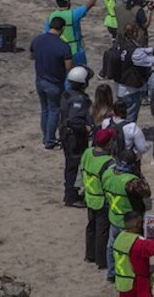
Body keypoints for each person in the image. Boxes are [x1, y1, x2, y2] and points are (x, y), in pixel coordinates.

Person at [103, 148, 149, 282]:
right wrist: (139, 174)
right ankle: (133, 273)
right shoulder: (131, 181)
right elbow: (146, 192)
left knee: (112, 246)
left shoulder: (107, 173)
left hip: (113, 216)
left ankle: (111, 273)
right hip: (130, 221)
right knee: (133, 249)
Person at [31, 16, 74, 149]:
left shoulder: (37, 40)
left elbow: (31, 56)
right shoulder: (63, 46)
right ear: (62, 29)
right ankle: (49, 140)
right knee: (54, 111)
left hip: (40, 80)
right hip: (54, 83)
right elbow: (69, 68)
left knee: (45, 110)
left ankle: (46, 137)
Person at [114, 22, 154, 123]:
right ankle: (127, 136)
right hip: (131, 90)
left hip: (120, 87)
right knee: (130, 119)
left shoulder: (121, 45)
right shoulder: (135, 53)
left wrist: (152, 50)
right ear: (134, 33)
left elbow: (140, 51)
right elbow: (150, 62)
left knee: (121, 116)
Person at [46, 0, 101, 66]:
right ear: (68, 3)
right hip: (75, 51)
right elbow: (92, 2)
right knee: (80, 75)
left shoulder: (51, 16)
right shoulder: (74, 14)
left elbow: (47, 35)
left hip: (59, 51)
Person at [112, 210, 154, 297]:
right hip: (138, 282)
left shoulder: (119, 237)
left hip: (123, 280)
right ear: (136, 224)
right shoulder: (138, 243)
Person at [81, 128, 116, 268]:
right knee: (102, 231)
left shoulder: (88, 153)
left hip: (89, 196)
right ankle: (101, 260)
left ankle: (89, 255)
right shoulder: (109, 162)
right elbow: (110, 183)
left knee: (91, 227)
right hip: (102, 200)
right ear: (108, 143)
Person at [61, 65, 95, 207]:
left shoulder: (67, 94)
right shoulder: (79, 99)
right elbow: (75, 120)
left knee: (70, 165)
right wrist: (86, 127)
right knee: (74, 166)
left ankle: (70, 193)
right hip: (74, 137)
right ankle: (71, 196)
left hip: (66, 134)